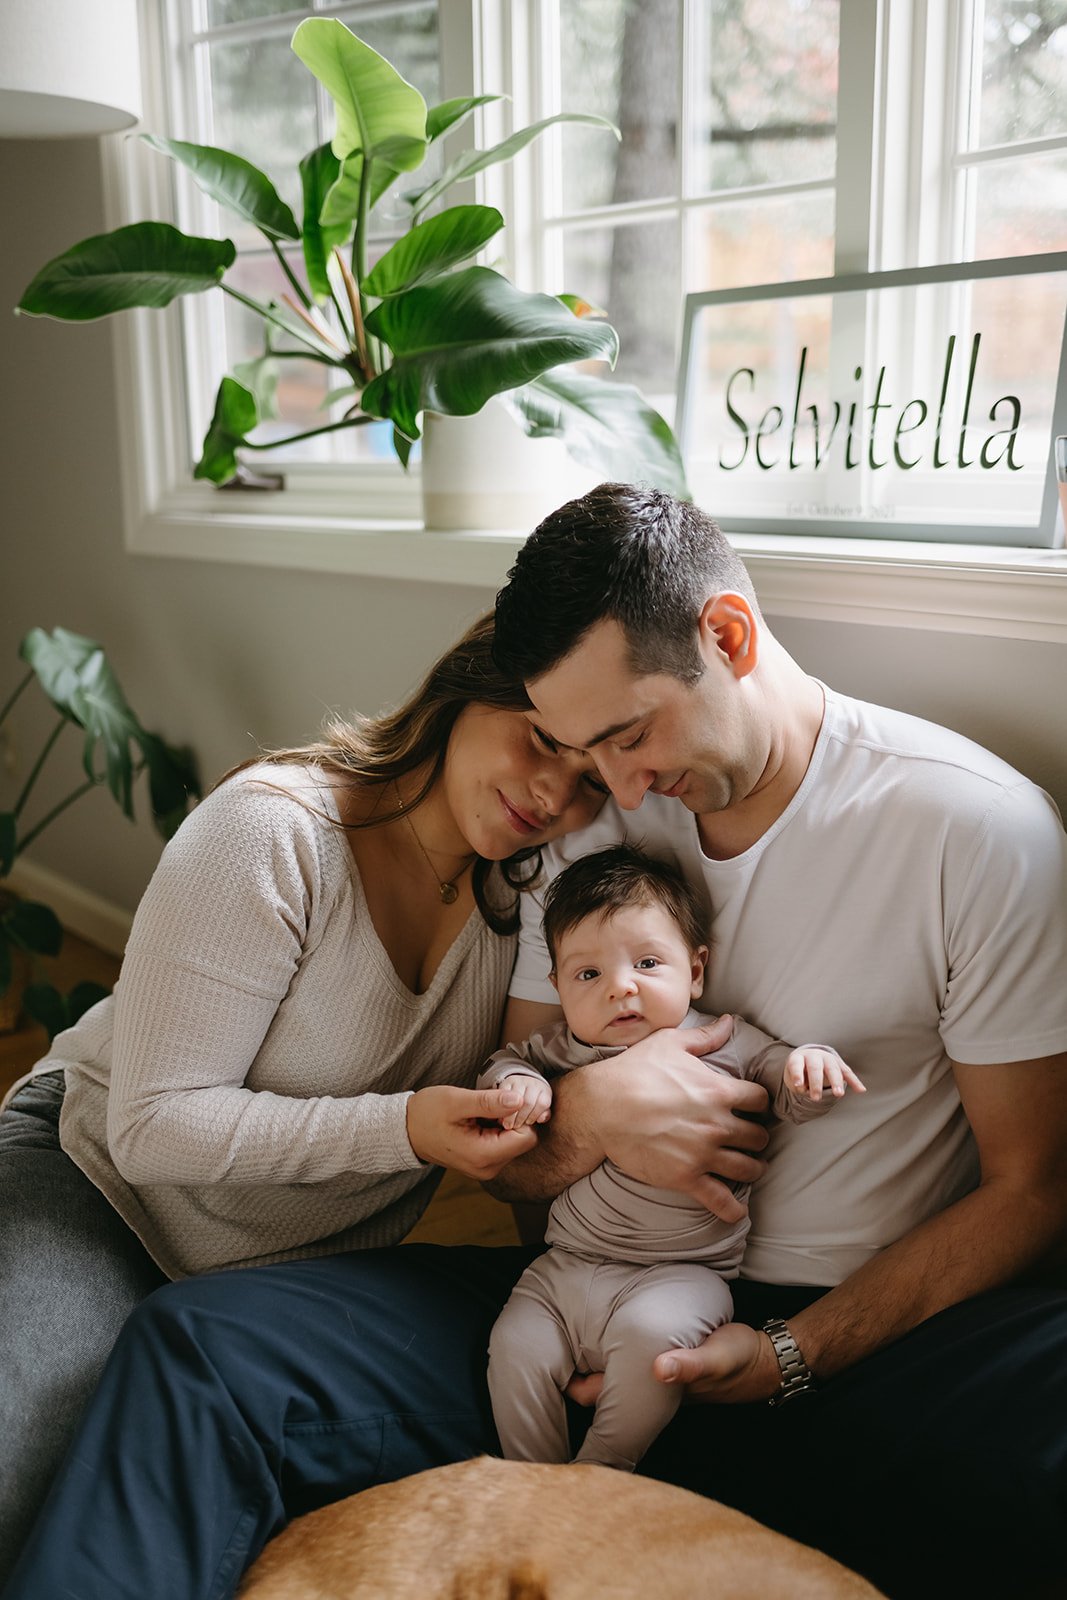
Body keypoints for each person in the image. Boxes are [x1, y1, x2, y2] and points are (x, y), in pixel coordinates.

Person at [5, 484, 1066, 1600]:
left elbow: (1032, 1188)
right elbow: (517, 1156)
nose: (605, 783)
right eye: (572, 746)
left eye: (626, 735)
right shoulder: (583, 824)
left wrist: (795, 1352)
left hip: (847, 1335)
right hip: (573, 1294)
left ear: (728, 637)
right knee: (204, 1352)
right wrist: (591, 1121)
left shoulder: (972, 828)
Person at [0, 612, 610, 1587]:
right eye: (540, 740)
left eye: (590, 780)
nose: (552, 794)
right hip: (101, 1190)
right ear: (465, 687)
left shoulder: (535, 896)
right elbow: (151, 1129)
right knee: (17, 1483)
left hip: (280, 1274)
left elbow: (530, 1116)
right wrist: (407, 1128)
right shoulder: (276, 829)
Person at [481, 843, 863, 1471]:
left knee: (656, 1346)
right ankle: (533, 1477)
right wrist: (516, 1083)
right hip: (565, 1266)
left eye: (648, 962)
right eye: (587, 975)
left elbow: (784, 1088)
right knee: (515, 1344)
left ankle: (603, 1470)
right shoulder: (560, 1050)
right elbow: (505, 1063)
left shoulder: (722, 1040)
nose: (620, 988)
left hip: (681, 1275)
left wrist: (806, 1068)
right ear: (556, 987)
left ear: (696, 971)